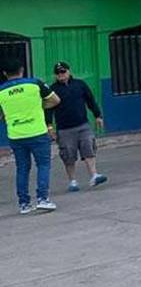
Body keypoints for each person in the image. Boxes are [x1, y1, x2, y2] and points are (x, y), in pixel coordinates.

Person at [1, 58, 61, 214]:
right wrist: (38, 107)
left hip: (15, 135)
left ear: (4, 73)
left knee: (22, 168)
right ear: (22, 69)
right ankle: (43, 199)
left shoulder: (1, 91)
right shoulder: (35, 84)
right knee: (43, 165)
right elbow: (55, 100)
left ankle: (24, 204)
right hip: (37, 133)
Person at [47, 61, 107, 192]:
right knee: (68, 155)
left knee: (89, 148)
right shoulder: (53, 90)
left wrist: (98, 116)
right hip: (64, 129)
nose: (61, 75)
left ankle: (94, 175)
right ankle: (72, 181)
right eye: (58, 73)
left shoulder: (80, 85)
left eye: (63, 71)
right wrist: (50, 127)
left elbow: (90, 100)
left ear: (69, 71)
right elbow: (48, 109)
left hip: (83, 125)